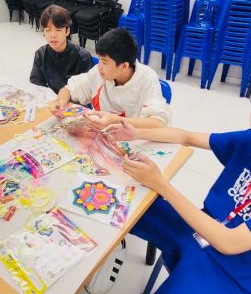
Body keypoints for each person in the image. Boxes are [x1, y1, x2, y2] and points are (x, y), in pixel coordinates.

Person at [106, 121, 251, 293]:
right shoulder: (247, 139)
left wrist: (160, 184)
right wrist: (136, 134)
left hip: (235, 273)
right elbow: (187, 137)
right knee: (121, 202)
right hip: (201, 226)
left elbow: (229, 243)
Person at [53, 28, 171, 128]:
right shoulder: (99, 73)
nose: (99, 67)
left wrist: (116, 121)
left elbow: (158, 122)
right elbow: (69, 89)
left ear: (124, 66)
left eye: (104, 62)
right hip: (102, 134)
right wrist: (61, 103)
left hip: (131, 139)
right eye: (99, 60)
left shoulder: (147, 79)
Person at [30, 5, 94, 94]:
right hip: (50, 99)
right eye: (48, 30)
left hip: (74, 100)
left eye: (58, 30)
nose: (53, 35)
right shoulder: (41, 54)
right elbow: (36, 83)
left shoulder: (83, 57)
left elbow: (88, 90)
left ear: (67, 31)